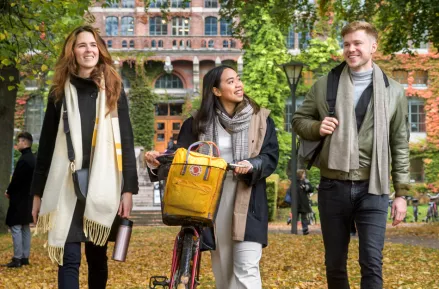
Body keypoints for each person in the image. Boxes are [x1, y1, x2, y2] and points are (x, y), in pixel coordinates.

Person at [292, 21, 410, 289]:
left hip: (374, 188)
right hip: (333, 185)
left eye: (357, 43)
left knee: (371, 262)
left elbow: (399, 143)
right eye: (346, 44)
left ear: (373, 47)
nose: (351, 49)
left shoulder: (394, 92)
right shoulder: (325, 85)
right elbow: (299, 120)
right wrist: (316, 127)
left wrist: (401, 194)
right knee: (334, 263)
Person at [145, 65, 279, 289]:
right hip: (209, 202)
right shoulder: (197, 123)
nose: (239, 85)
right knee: (223, 274)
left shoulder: (260, 119)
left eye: (238, 79)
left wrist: (253, 164)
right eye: (230, 81)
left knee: (247, 269)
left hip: (248, 199)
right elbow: (182, 162)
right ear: (216, 91)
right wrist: (157, 163)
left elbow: (270, 156)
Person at [30, 25, 138, 289]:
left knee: (97, 256)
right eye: (82, 45)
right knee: (68, 258)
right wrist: (36, 194)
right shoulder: (58, 93)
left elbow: (125, 139)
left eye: (92, 45)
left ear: (99, 50)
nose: (88, 50)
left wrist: (128, 190)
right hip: (66, 185)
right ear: (72, 52)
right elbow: (45, 146)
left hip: (103, 184)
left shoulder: (113, 88)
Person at [3, 132, 35, 268]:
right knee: (25, 227)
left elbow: (16, 179)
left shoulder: (23, 160)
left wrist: (9, 191)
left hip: (19, 198)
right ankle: (25, 257)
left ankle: (17, 258)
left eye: (19, 141)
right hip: (29, 197)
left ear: (25, 142)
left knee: (16, 226)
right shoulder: (33, 159)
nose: (18, 144)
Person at [285, 170, 313, 235]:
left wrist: (306, 187)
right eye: (303, 174)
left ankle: (305, 230)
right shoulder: (294, 182)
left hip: (303, 202)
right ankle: (294, 230)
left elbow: (311, 189)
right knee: (295, 217)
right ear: (300, 175)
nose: (305, 175)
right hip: (296, 203)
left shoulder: (306, 181)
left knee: (304, 217)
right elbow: (291, 191)